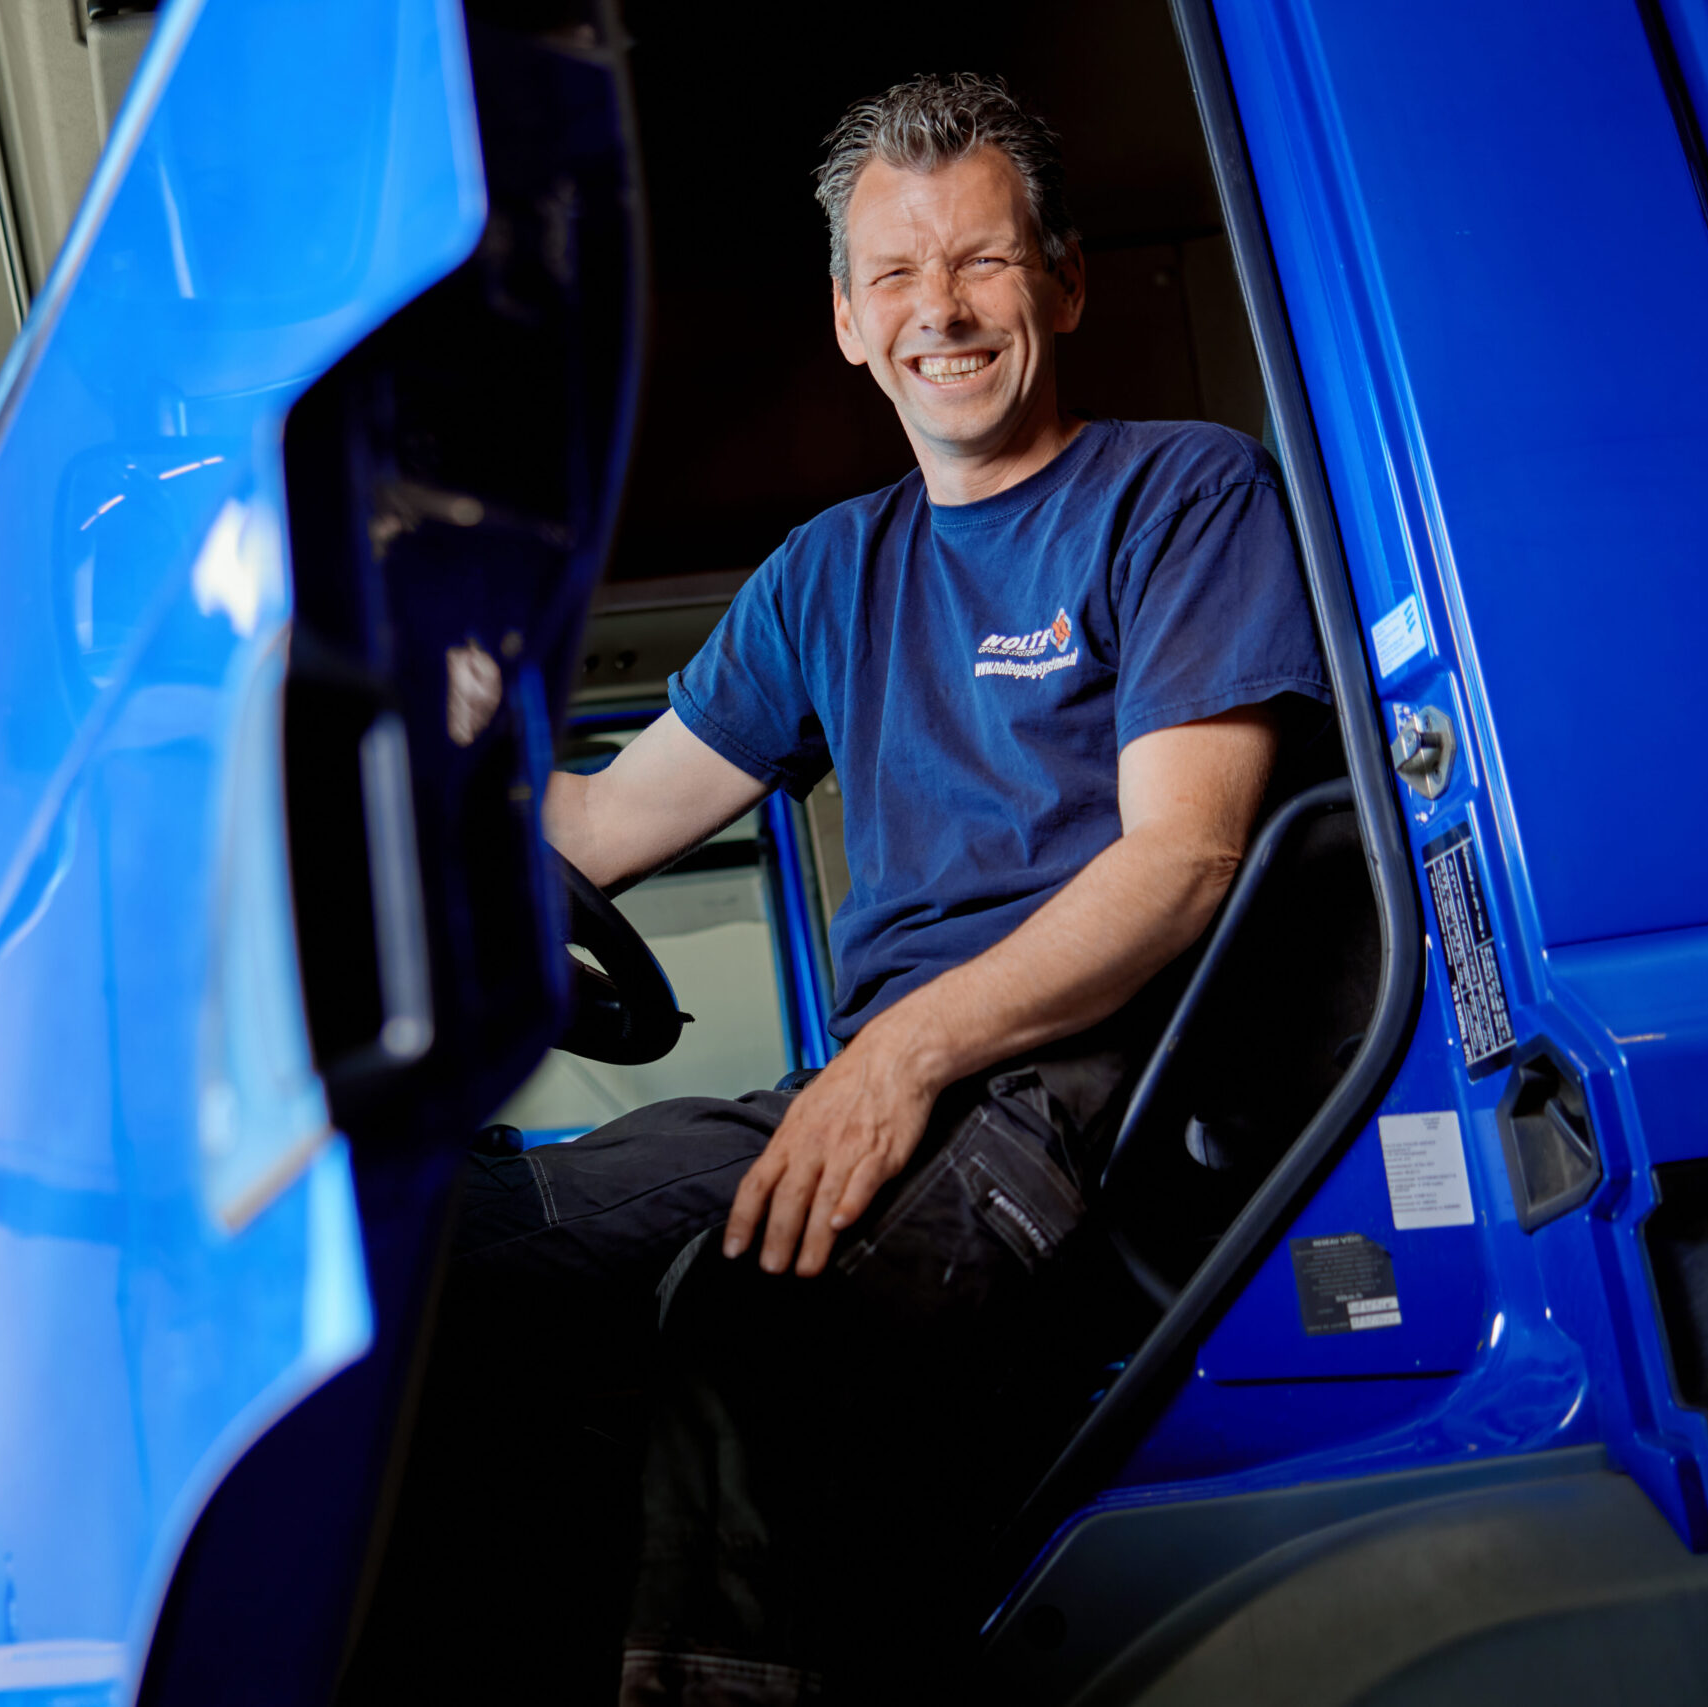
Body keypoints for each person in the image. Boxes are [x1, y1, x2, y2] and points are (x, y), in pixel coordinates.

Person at [399, 71, 1329, 1704]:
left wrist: (899, 1058)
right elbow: (599, 822)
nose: (940, 312)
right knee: (460, 1255)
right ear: (846, 319)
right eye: (895, 273)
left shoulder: (1181, 495)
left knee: (750, 1322)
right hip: (881, 1075)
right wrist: (393, 742)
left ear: (1064, 284)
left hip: (1081, 1090)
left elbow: (1182, 862)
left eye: (981, 262)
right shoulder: (829, 572)